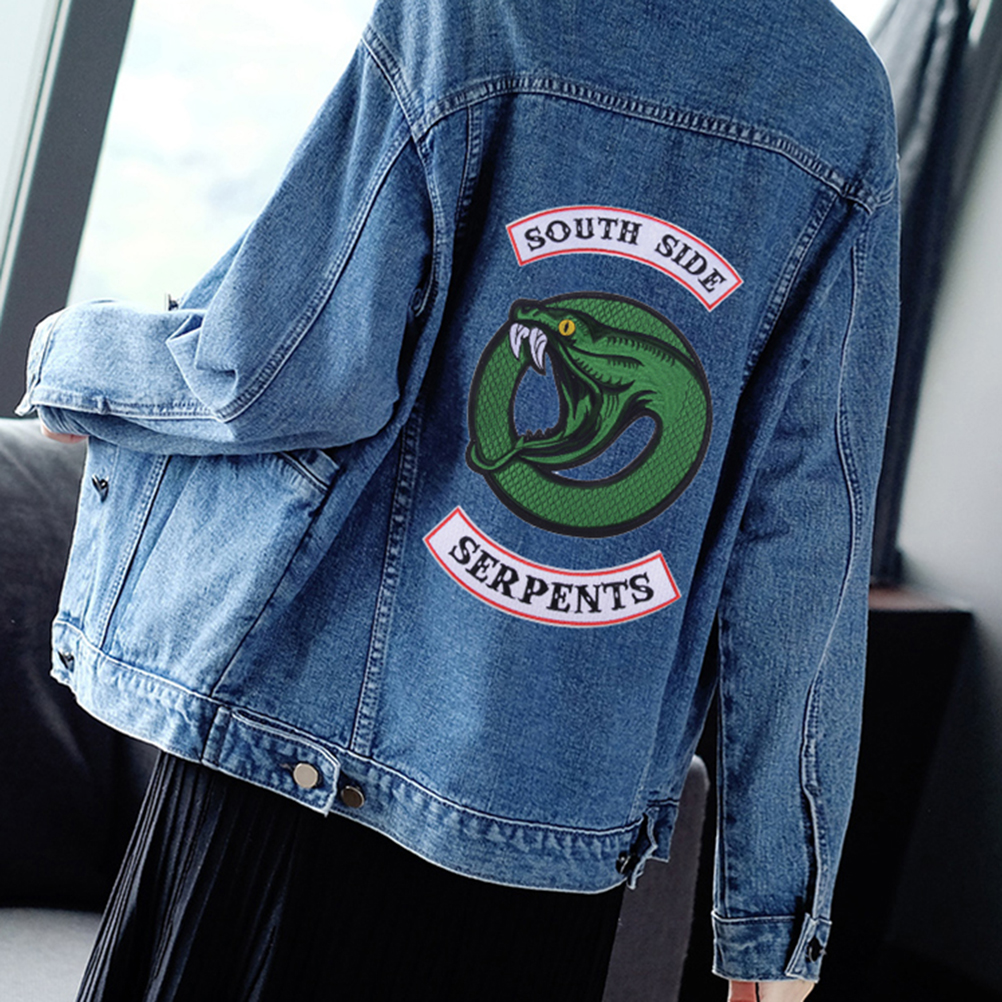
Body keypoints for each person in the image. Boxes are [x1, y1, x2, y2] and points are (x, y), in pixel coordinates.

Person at [18, 0, 899, 998]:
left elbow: (287, 371)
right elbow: (807, 533)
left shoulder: (470, 13)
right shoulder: (839, 97)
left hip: (296, 771)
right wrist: (775, 920)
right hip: (544, 839)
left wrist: (79, 365)